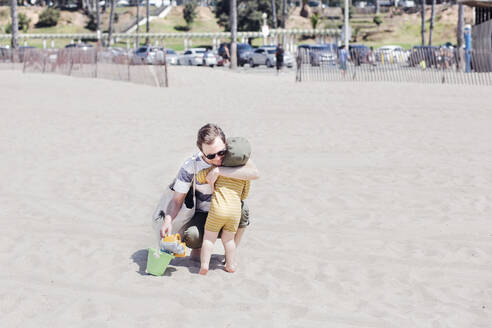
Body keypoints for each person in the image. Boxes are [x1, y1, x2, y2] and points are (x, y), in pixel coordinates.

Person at [159, 124, 259, 260]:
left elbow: (254, 173)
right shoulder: (190, 166)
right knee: (192, 236)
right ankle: (197, 252)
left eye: (221, 152)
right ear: (202, 151)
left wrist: (219, 171)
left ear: (226, 144)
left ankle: (229, 256)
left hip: (230, 211)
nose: (218, 158)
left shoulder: (234, 155)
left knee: (243, 211)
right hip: (203, 214)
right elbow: (177, 200)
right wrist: (168, 220)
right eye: (211, 155)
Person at [196, 137, 251, 275]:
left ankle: (204, 265)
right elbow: (244, 195)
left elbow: (200, 177)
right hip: (234, 213)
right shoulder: (244, 176)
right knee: (229, 240)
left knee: (209, 239)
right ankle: (230, 264)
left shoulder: (216, 169)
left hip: (217, 211)